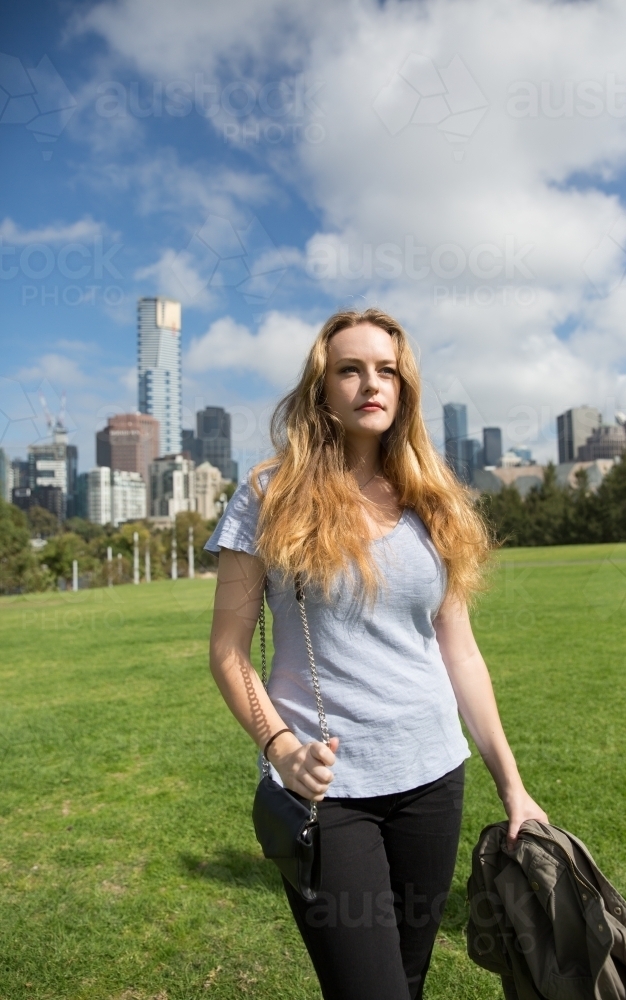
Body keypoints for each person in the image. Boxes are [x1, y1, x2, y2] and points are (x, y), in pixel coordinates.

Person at [206, 308, 548, 1000]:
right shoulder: (269, 495)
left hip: (431, 780)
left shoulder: (434, 499)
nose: (371, 383)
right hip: (326, 796)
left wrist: (512, 785)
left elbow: (462, 656)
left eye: (386, 369)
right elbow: (227, 652)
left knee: (410, 979)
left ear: (404, 387)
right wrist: (281, 750)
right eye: (349, 369)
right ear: (320, 388)